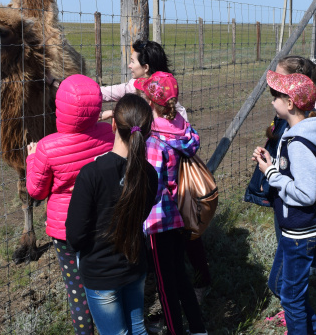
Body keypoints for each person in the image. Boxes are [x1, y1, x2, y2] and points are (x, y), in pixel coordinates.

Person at [26, 74, 115, 335]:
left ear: (59, 108)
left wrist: (32, 159)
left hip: (65, 231)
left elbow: (36, 191)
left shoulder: (46, 147)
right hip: (103, 223)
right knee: (105, 282)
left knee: (76, 290)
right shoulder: (109, 134)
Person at [66, 94, 158, 335]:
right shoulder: (149, 174)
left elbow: (75, 237)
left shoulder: (91, 174)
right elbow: (140, 216)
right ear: (146, 132)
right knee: (137, 329)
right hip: (135, 265)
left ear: (114, 124)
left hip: (101, 273)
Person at [253, 71, 316, 335]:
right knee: (279, 286)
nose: (272, 100)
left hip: (301, 232)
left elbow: (306, 193)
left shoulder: (298, 141)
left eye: (276, 96)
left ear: (290, 104)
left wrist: (271, 174)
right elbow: (298, 173)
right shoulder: (298, 134)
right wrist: (273, 164)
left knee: (292, 298)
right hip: (295, 230)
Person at [134, 71, 207, 335]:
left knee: (165, 286)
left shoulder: (154, 141)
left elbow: (151, 186)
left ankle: (175, 330)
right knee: (180, 275)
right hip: (181, 213)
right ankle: (197, 328)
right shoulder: (181, 128)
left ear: (149, 101)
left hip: (159, 220)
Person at [100, 40, 187, 121]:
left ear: (146, 67)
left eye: (133, 62)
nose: (129, 66)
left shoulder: (135, 87)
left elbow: (107, 92)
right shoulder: (168, 88)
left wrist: (113, 113)